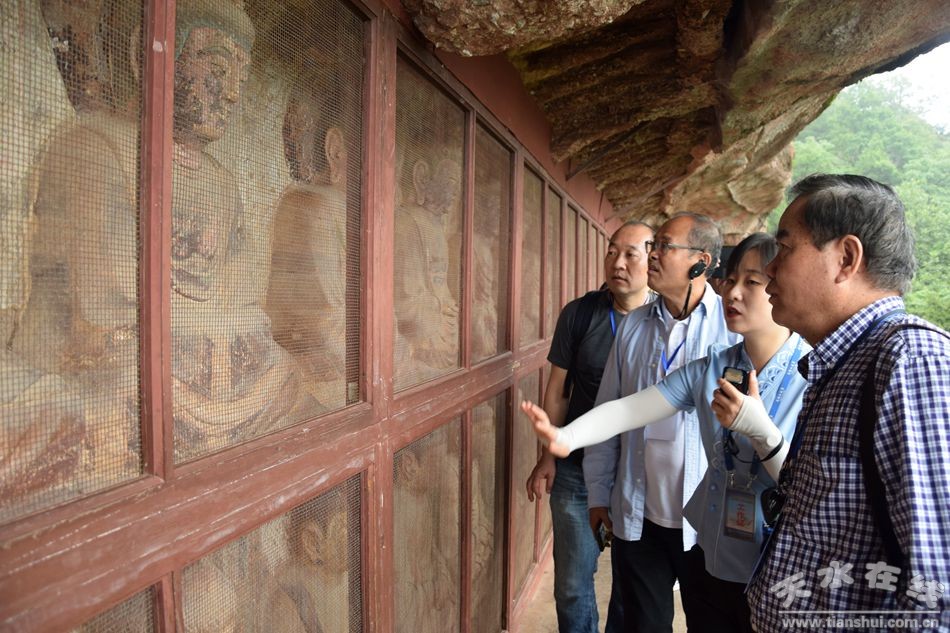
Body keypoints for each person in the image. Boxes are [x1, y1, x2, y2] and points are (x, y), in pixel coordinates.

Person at [523, 233, 809, 632]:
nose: (732, 292)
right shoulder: (712, 367)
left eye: (752, 282)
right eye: (730, 279)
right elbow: (630, 408)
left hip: (775, 564)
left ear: (779, 284)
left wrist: (762, 433)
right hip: (713, 556)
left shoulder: (814, 374)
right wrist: (567, 437)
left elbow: (811, 489)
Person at [736, 174, 950, 632]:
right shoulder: (844, 363)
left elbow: (937, 593)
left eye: (785, 248)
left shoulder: (910, 362)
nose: (770, 269)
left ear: (846, 258)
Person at [583, 212, 739, 632]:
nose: (652, 255)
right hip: (640, 516)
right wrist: (598, 493)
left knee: (710, 624)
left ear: (701, 262)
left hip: (706, 523)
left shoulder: (731, 328)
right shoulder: (634, 325)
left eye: (665, 246)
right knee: (643, 625)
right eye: (653, 246)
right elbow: (609, 411)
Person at [525, 220, 654, 633]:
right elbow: (558, 391)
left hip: (638, 475)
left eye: (630, 254)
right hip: (577, 469)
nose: (618, 263)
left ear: (654, 259)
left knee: (631, 588)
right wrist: (548, 456)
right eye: (612, 251)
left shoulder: (663, 321)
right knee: (572, 586)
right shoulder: (581, 314)